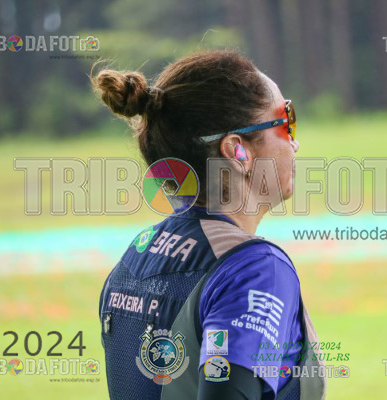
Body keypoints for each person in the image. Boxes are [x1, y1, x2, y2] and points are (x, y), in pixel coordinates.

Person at [95, 50, 325, 400]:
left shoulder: (135, 256)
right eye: (285, 120)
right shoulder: (255, 269)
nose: (295, 142)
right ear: (238, 151)